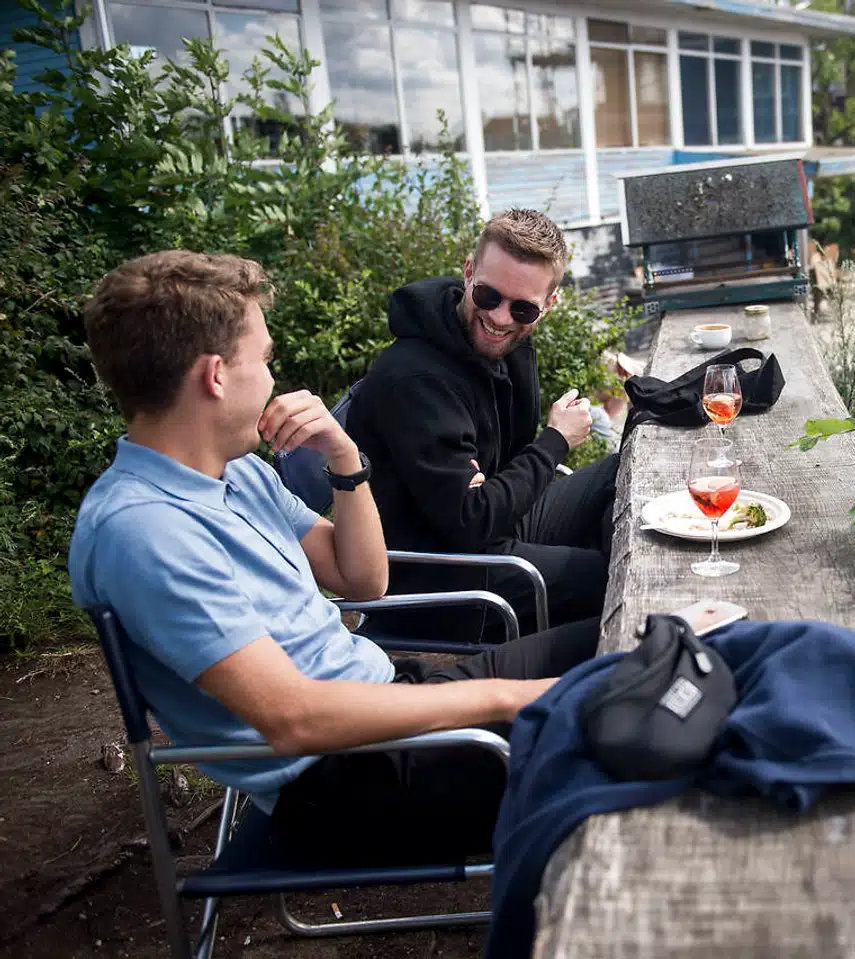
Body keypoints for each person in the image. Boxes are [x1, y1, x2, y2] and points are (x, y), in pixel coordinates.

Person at [68, 251, 600, 866]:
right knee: (629, 729)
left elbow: (363, 580)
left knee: (633, 636)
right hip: (347, 782)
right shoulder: (145, 533)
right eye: (264, 359)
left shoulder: (234, 471)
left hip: (386, 700)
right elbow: (294, 719)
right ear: (216, 375)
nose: (273, 376)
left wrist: (346, 460)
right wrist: (510, 698)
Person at [346, 209, 618, 643]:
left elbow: (496, 483)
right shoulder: (417, 382)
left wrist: (488, 491)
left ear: (547, 306)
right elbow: (470, 520)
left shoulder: (505, 348)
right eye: (489, 296)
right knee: (613, 575)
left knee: (623, 472)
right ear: (469, 273)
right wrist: (555, 442)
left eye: (524, 308)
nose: (502, 319)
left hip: (492, 528)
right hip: (439, 572)